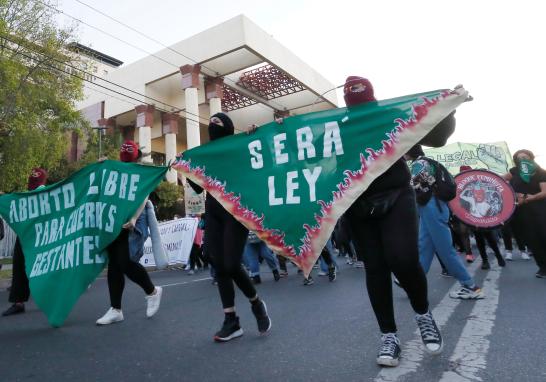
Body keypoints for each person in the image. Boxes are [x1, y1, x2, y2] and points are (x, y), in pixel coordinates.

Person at [341, 77, 445, 367]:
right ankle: (389, 335)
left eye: (365, 101)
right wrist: (266, 133)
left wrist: (449, 107)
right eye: (354, 101)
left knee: (403, 258)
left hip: (397, 194)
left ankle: (423, 315)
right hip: (358, 202)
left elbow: (436, 137)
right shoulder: (336, 127)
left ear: (374, 98)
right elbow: (302, 156)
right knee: (375, 268)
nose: (360, 107)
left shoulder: (391, 116)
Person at [189, 113, 271, 342]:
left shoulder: (240, 147)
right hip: (213, 211)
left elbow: (260, 162)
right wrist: (185, 166)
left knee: (231, 263)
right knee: (218, 263)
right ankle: (231, 320)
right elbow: (196, 187)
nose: (213, 125)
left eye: (218, 122)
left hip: (235, 211)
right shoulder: (204, 154)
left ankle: (256, 303)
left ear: (229, 128)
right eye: (211, 122)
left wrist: (256, 136)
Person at [96, 141, 163, 325]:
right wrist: (103, 166)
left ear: (136, 158)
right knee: (115, 264)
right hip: (115, 220)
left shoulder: (140, 172)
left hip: (134, 219)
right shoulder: (115, 169)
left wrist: (134, 218)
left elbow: (143, 197)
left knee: (126, 262)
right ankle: (115, 309)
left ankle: (152, 292)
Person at [405, 145, 485, 299]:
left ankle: (470, 286)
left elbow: (414, 187)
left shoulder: (419, 164)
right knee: (424, 246)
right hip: (432, 206)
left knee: (445, 250)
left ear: (410, 150)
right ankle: (414, 282)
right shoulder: (426, 162)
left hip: (431, 207)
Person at [2, 168, 47, 316]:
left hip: (42, 235)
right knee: (19, 265)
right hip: (25, 235)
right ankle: (18, 301)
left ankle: (50, 298)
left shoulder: (47, 194)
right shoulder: (26, 195)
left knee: (44, 267)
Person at [503, 149, 546, 278]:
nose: (522, 159)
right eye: (519, 158)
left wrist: (528, 197)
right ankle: (543, 268)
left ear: (531, 158)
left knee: (544, 237)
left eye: (525, 157)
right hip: (521, 212)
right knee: (532, 240)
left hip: (540, 209)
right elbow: (499, 181)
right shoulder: (514, 171)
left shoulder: (540, 172)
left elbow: (544, 192)